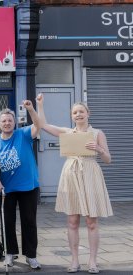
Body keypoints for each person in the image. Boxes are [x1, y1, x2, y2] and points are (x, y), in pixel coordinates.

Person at [37, 95, 112, 274]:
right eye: (75, 112)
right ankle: (75, 260)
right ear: (72, 116)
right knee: (72, 221)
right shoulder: (67, 132)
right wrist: (40, 105)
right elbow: (43, 125)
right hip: (71, 174)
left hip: (90, 173)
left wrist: (99, 149)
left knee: (91, 221)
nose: (78, 115)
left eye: (81, 112)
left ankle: (93, 261)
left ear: (88, 114)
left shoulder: (97, 133)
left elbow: (108, 159)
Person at [0, 97, 42, 270]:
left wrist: (32, 109)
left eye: (10, 120)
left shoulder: (23, 134)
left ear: (14, 122)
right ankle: (9, 253)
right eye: (3, 121)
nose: (7, 123)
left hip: (28, 186)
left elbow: (38, 125)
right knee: (7, 222)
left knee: (29, 221)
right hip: (6, 189)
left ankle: (31, 256)